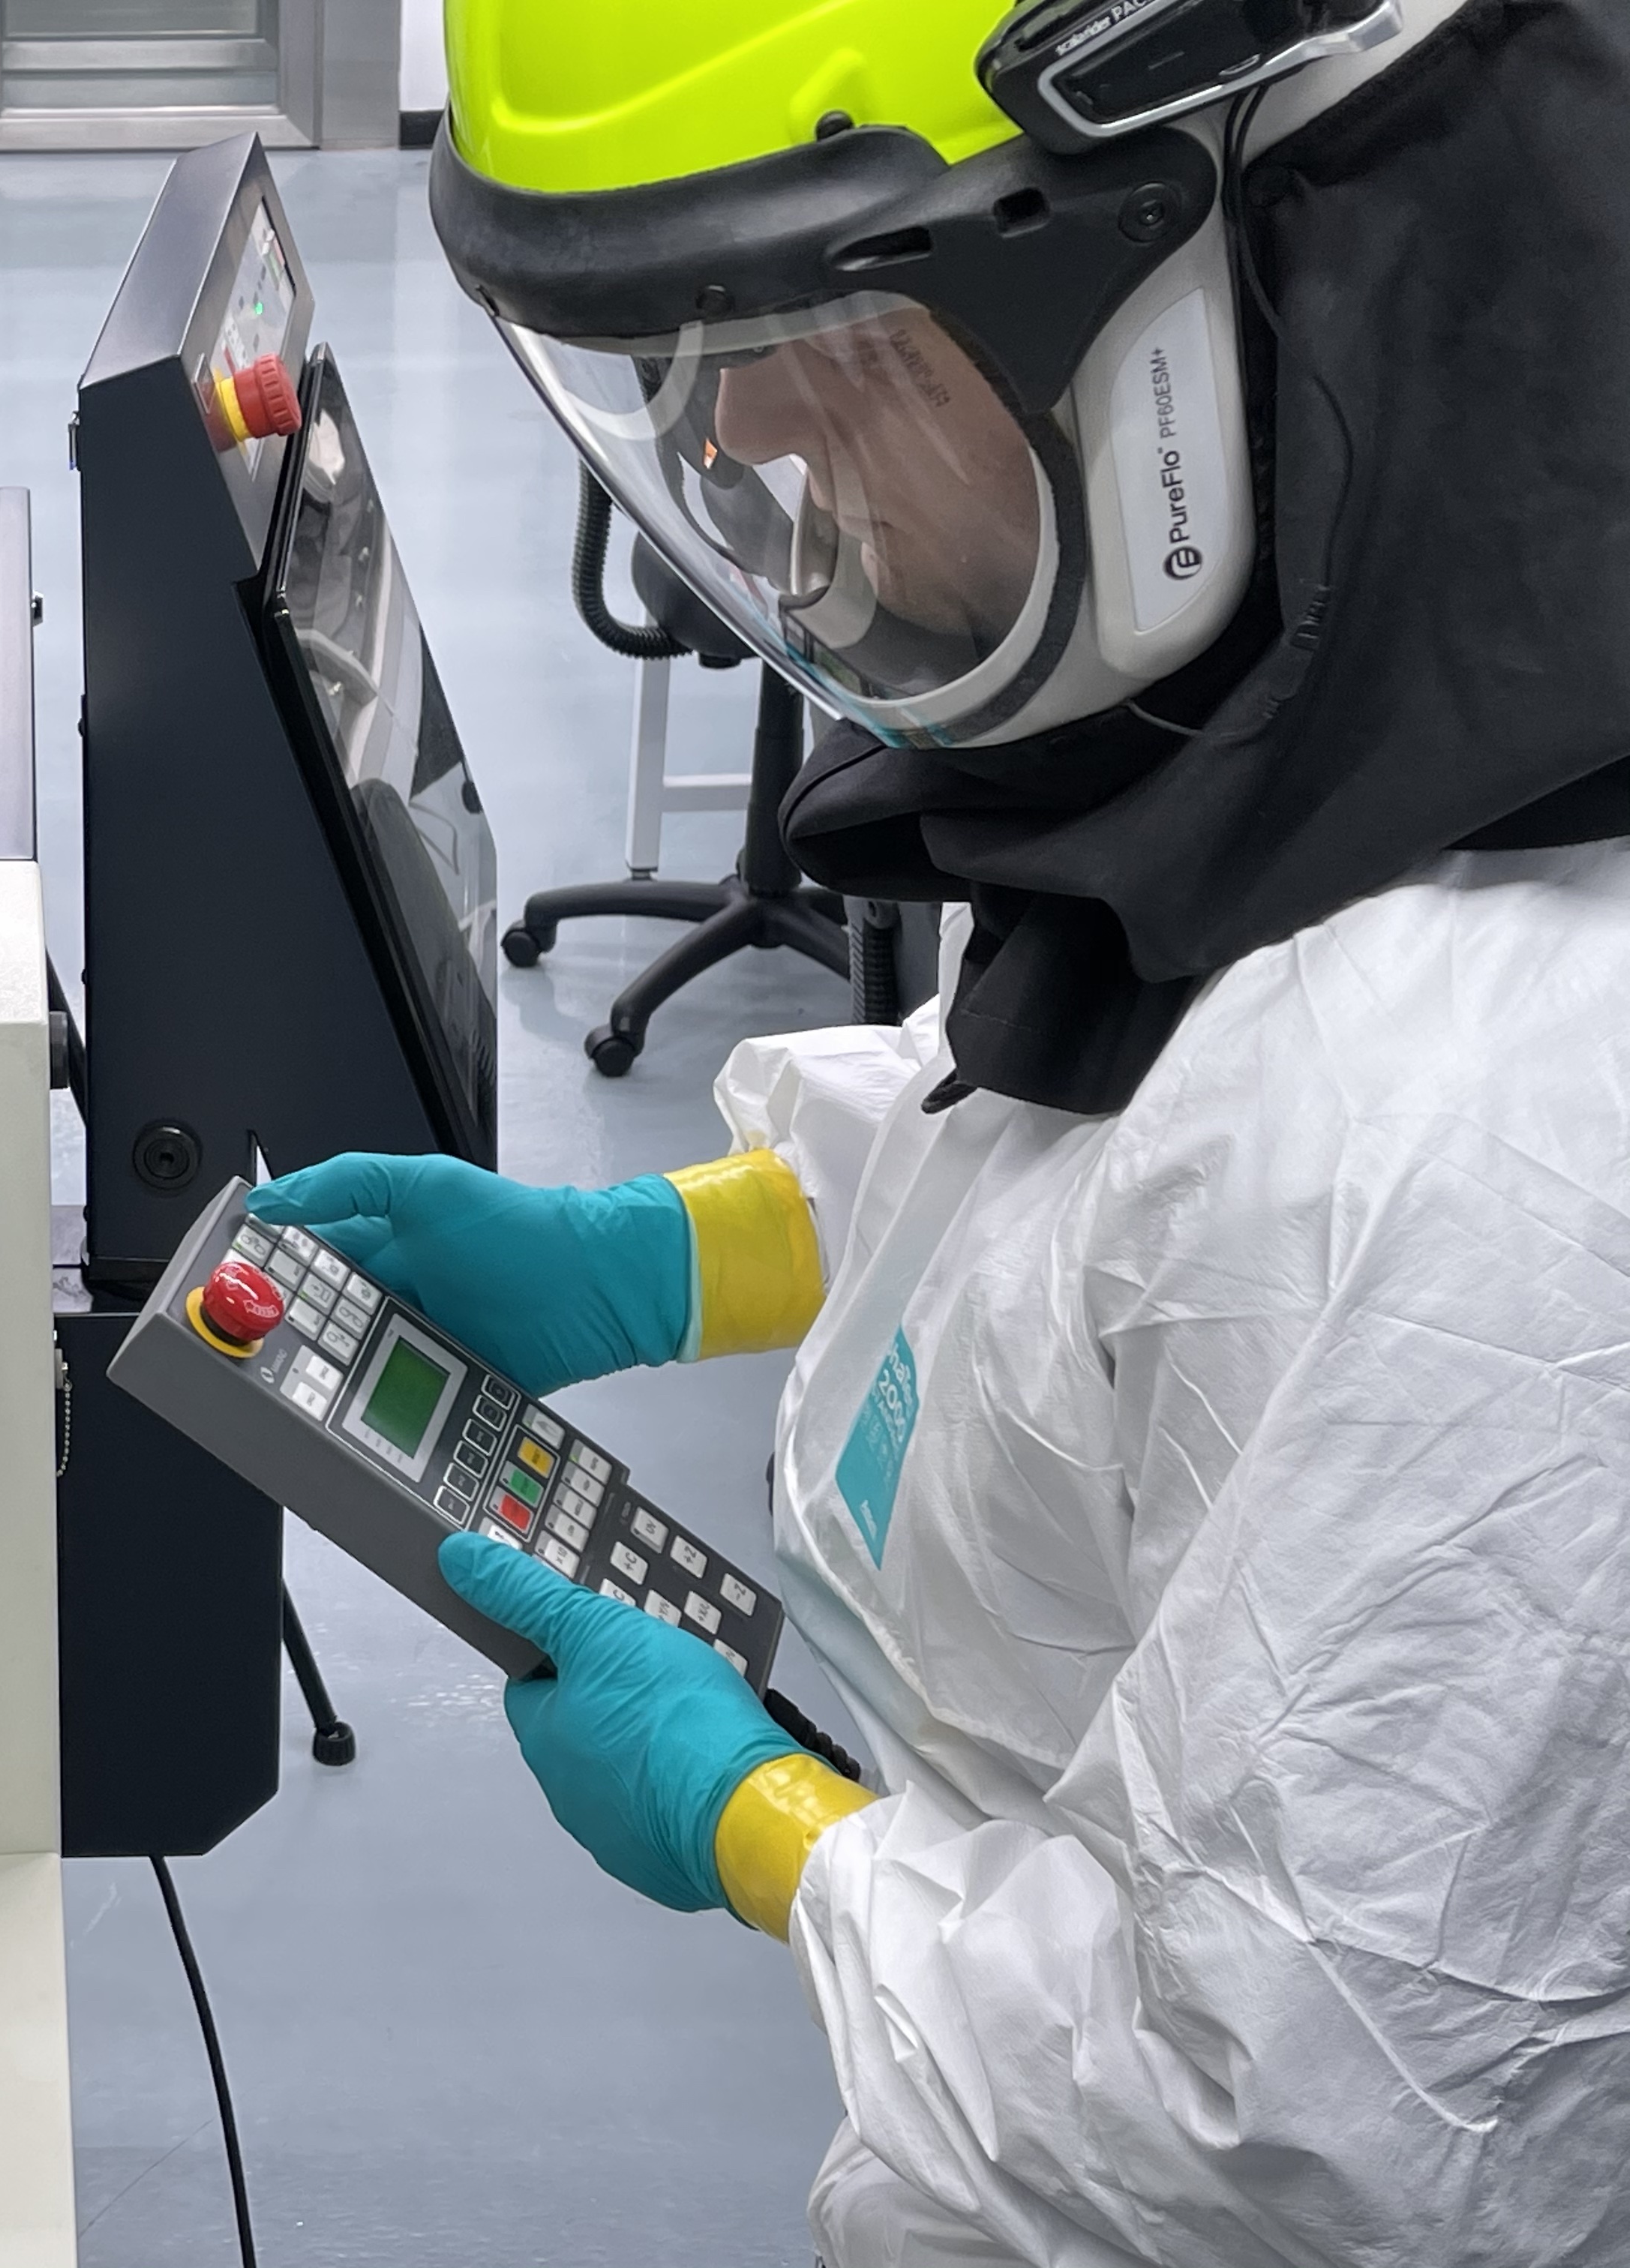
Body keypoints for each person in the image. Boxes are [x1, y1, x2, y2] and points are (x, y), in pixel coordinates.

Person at [256, 1, 1630, 2259]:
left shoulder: (1490, 1141)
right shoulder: (1352, 709)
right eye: (687, 365)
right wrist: (661, 1256)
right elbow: (1107, 1131)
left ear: (1225, 250)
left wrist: (774, 1827)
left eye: (824, 331)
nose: (756, 455)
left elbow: (1298, 2149)